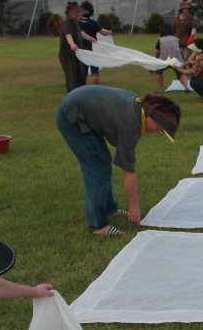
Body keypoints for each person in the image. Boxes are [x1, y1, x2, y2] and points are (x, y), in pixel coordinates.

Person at [55, 86, 181, 235]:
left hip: (80, 107)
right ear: (150, 116)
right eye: (160, 127)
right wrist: (134, 207)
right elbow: (128, 171)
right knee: (97, 170)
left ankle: (109, 208)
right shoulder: (131, 123)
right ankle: (98, 226)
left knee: (103, 162)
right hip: (72, 117)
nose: (158, 131)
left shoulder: (138, 107)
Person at [58, 2, 91, 92]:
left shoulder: (76, 24)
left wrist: (91, 39)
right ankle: (71, 97)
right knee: (71, 79)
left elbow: (81, 33)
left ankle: (80, 94)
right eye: (79, 14)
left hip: (77, 56)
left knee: (81, 76)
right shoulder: (67, 24)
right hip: (68, 57)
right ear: (73, 14)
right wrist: (72, 44)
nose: (80, 16)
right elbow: (68, 36)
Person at [78, 1, 112, 85]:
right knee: (95, 72)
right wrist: (109, 32)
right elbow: (103, 33)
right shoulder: (93, 23)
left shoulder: (77, 23)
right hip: (93, 50)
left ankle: (82, 89)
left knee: (82, 73)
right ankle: (96, 88)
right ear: (91, 12)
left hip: (82, 51)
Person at [151, 24, 189, 93]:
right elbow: (181, 51)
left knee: (158, 72)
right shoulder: (176, 39)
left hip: (164, 60)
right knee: (181, 73)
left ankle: (161, 89)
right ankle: (186, 87)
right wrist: (183, 61)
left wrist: (153, 65)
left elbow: (157, 53)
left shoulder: (160, 40)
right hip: (177, 60)